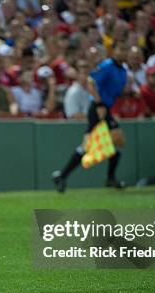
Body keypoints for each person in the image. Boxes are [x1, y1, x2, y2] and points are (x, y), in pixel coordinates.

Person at [52, 43, 128, 192]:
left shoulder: (123, 70)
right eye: (121, 48)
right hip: (99, 108)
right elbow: (92, 82)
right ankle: (63, 175)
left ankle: (63, 175)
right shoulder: (107, 65)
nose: (123, 52)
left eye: (125, 49)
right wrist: (99, 104)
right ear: (114, 51)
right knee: (104, 143)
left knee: (113, 144)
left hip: (105, 107)